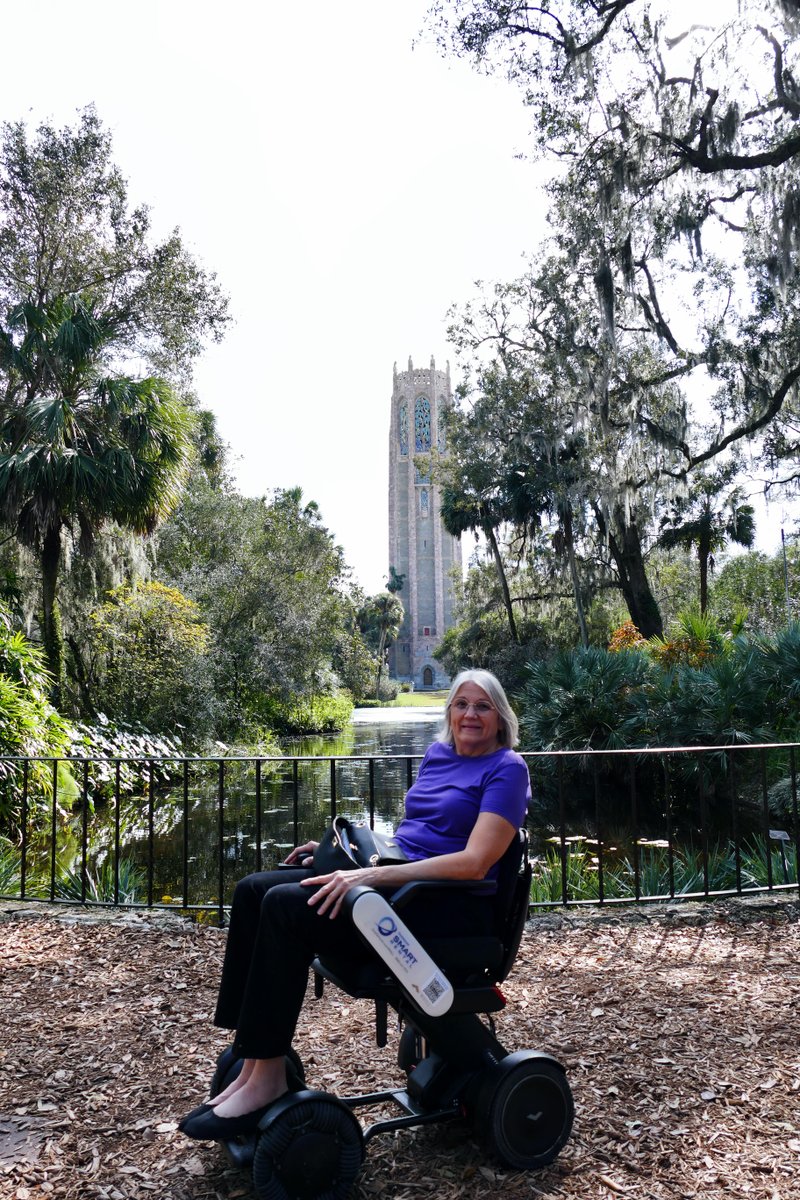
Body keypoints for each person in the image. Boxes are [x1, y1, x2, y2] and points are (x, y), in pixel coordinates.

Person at [179, 669, 530, 1140]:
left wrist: (365, 875)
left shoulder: (507, 769)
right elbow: (413, 839)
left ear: (500, 716)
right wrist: (340, 856)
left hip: (444, 907)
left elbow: (473, 863)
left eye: (482, 706)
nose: (470, 714)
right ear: (449, 710)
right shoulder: (438, 755)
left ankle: (266, 1081)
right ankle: (252, 1056)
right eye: (461, 703)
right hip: (400, 887)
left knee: (285, 907)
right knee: (253, 890)